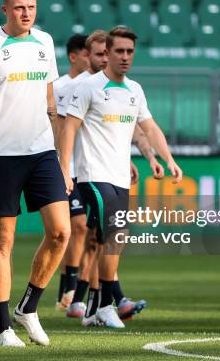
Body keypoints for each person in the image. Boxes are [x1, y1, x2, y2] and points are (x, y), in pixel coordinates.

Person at [0, 0, 71, 347]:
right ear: (5, 9)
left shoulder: (44, 42)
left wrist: (62, 159)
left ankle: (30, 307)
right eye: (19, 8)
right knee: (3, 240)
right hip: (2, 156)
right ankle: (4, 327)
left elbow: (51, 104)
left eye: (31, 7)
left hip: (42, 152)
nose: (26, 14)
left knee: (61, 232)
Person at [60, 26, 183, 328]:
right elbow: (69, 128)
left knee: (106, 241)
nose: (125, 57)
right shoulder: (88, 87)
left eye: (130, 51)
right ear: (108, 53)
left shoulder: (135, 91)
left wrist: (167, 160)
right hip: (92, 175)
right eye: (119, 51)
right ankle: (104, 305)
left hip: (119, 177)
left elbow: (149, 128)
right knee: (116, 234)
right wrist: (64, 168)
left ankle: (90, 308)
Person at [52, 33, 90, 311]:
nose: (92, 59)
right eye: (87, 54)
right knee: (71, 229)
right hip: (65, 168)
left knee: (83, 231)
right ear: (74, 56)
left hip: (88, 166)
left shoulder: (94, 86)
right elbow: (57, 125)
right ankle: (69, 290)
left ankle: (67, 291)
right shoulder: (60, 87)